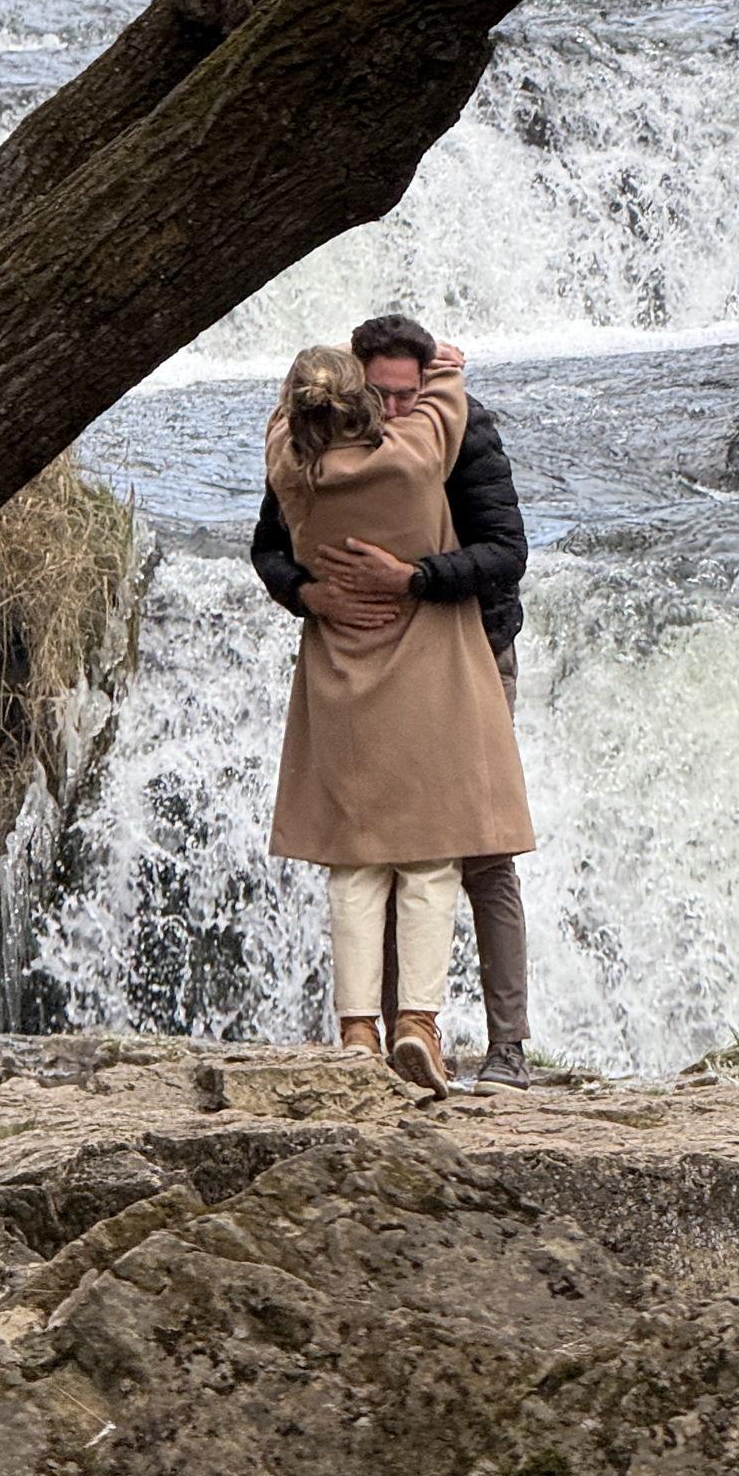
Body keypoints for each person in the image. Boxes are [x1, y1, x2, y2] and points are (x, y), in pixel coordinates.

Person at [252, 312, 536, 1090]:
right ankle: (411, 1029)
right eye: (381, 393)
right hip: (411, 664)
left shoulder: (300, 457)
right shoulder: (417, 446)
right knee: (415, 852)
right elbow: (267, 549)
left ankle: (483, 1044)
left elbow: (506, 550)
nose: (398, 406)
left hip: (466, 653)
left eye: (410, 392)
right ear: (354, 389)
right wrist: (309, 591)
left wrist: (413, 577)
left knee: (465, 855)